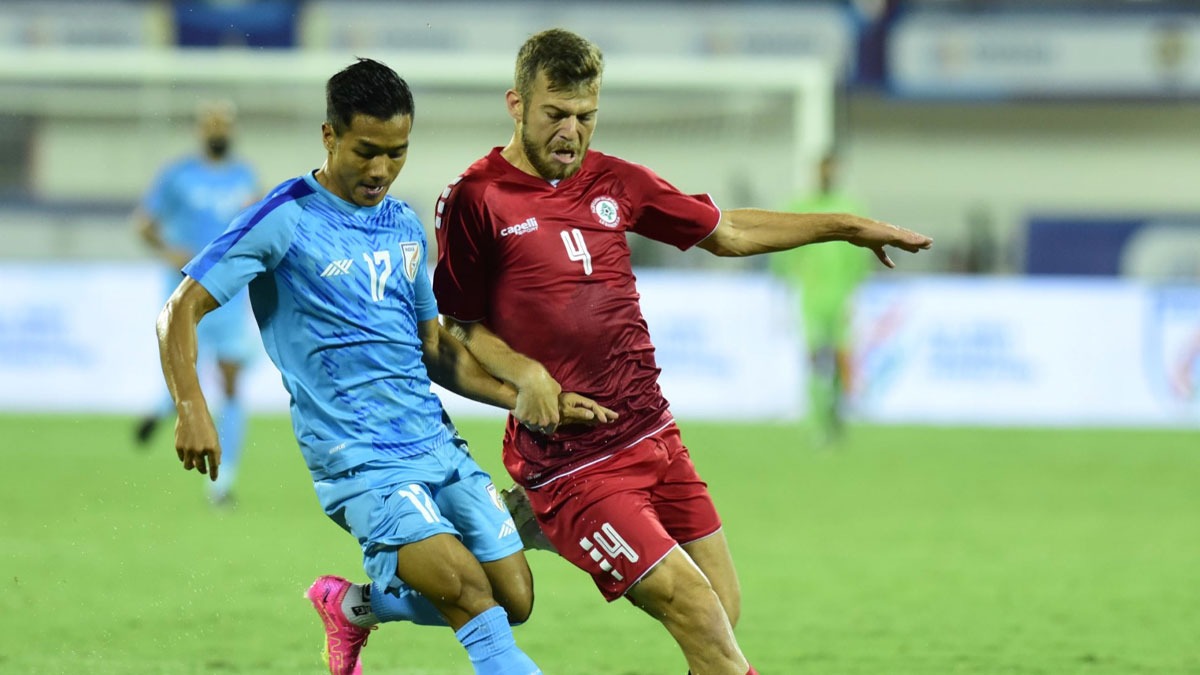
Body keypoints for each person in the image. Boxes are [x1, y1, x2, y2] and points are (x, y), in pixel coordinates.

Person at [432, 28, 932, 675]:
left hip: (653, 433)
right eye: (555, 114)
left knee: (722, 609)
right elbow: (460, 327)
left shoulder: (615, 180)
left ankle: (521, 521)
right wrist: (524, 374)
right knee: (700, 614)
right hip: (573, 460)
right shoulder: (475, 199)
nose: (571, 132)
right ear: (516, 104)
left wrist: (844, 226)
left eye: (586, 116)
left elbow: (729, 231)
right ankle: (543, 512)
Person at [156, 57, 613, 675]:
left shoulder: (403, 223)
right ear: (330, 136)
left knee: (514, 599)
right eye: (366, 151)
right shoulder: (284, 218)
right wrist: (191, 407)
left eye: (396, 153)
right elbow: (179, 310)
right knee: (470, 596)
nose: (380, 170)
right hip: (359, 458)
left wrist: (527, 399)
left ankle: (350, 607)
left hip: (435, 443)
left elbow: (435, 348)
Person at [133, 98, 259, 506]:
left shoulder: (245, 177)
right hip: (184, 293)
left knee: (230, 382)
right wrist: (171, 252)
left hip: (230, 295)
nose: (218, 129)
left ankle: (222, 485)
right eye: (211, 123)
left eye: (224, 123)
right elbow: (143, 224)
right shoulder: (178, 176)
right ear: (200, 129)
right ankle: (164, 407)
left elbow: (259, 227)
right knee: (185, 371)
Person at [769, 152, 873, 446]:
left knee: (841, 360)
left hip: (841, 297)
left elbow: (862, 255)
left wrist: (857, 289)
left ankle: (834, 416)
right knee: (815, 359)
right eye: (822, 169)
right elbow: (784, 249)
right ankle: (816, 422)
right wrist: (783, 283)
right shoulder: (800, 208)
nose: (826, 175)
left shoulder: (851, 208)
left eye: (831, 169)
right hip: (811, 297)